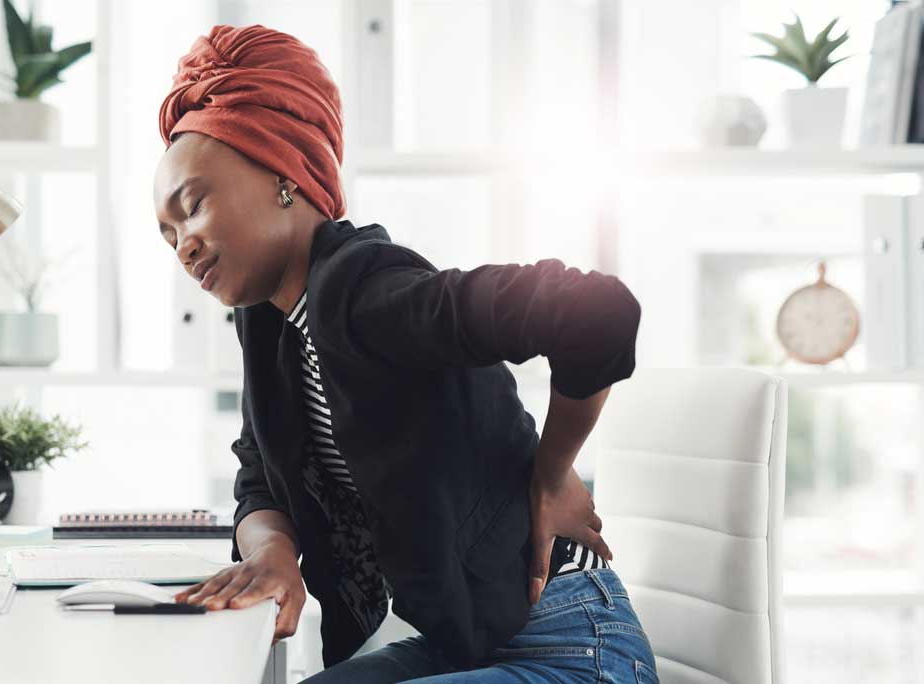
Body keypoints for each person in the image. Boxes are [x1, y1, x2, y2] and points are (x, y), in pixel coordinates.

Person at [156, 24, 655, 684]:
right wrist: (273, 554)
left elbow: (597, 313)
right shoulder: (270, 328)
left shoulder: (370, 293)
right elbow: (257, 474)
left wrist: (553, 472)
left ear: (284, 173)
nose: (184, 245)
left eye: (191, 208)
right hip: (465, 642)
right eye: (168, 236)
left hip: (574, 643)